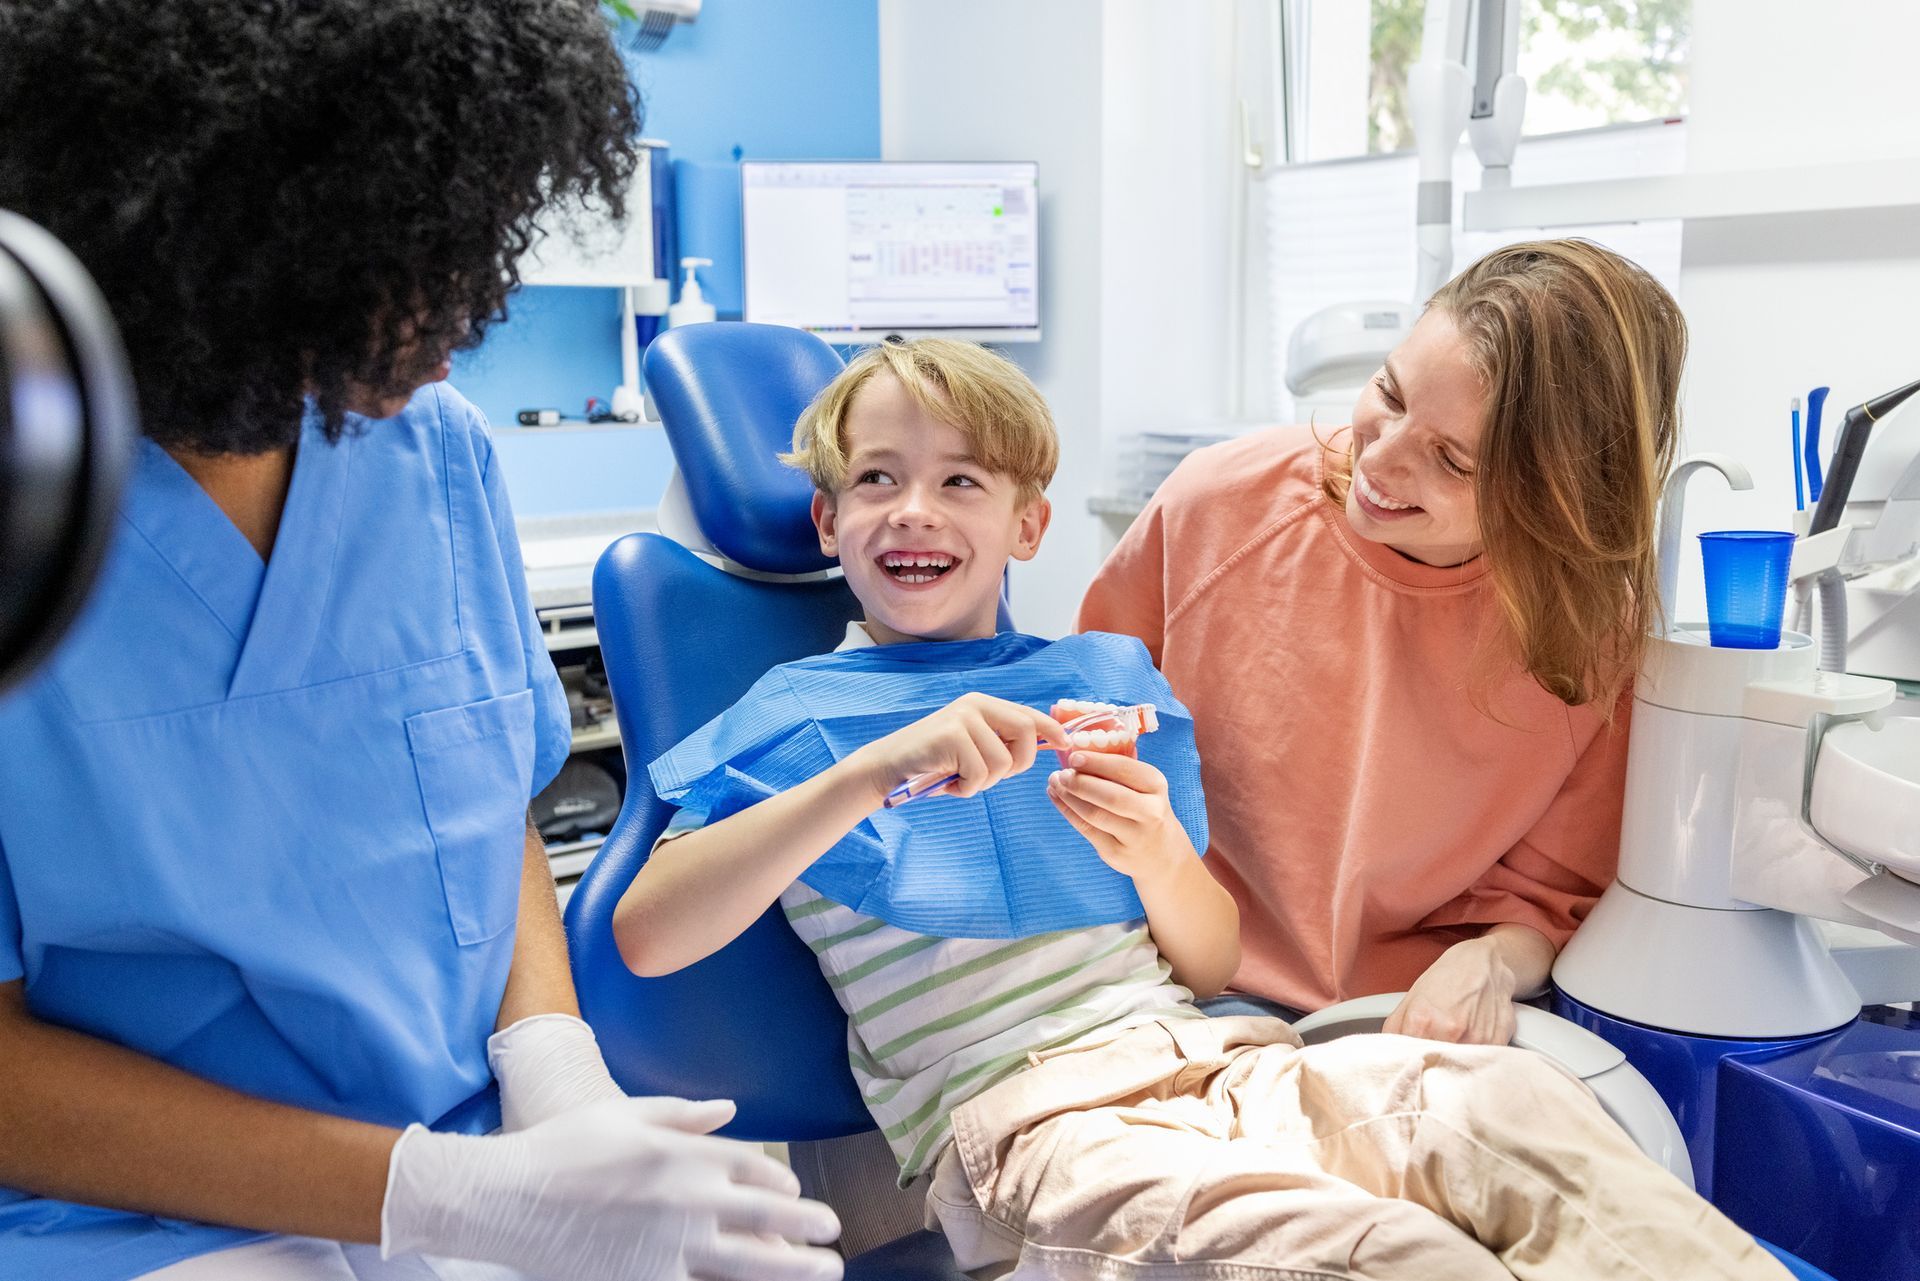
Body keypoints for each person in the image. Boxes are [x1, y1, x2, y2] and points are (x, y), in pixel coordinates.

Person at [613, 338, 1789, 1279]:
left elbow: (1210, 951)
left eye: (960, 480)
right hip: (1036, 1134)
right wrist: (865, 774)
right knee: (1396, 1255)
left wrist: (1160, 850)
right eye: (876, 480)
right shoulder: (794, 712)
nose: (913, 509)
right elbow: (646, 933)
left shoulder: (1097, 690)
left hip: (1228, 1062)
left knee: (1510, 1116)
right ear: (829, 525)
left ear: (1030, 526)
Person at [0, 3, 841, 1279]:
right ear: (238, 231)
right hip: (140, 1228)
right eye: (413, 259)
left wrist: (554, 1076)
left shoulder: (430, 447)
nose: (469, 313)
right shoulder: (31, 511)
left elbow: (481, 792)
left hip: (478, 1155)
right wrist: (435, 1197)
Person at [1082, 239, 1680, 1044]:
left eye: (1451, 458)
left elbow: (1547, 898)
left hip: (1418, 1016)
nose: (1382, 459)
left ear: (1555, 494)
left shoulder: (1589, 635)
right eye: (1390, 394)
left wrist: (1493, 961)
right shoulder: (1216, 506)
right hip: (1188, 985)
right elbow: (1085, 750)